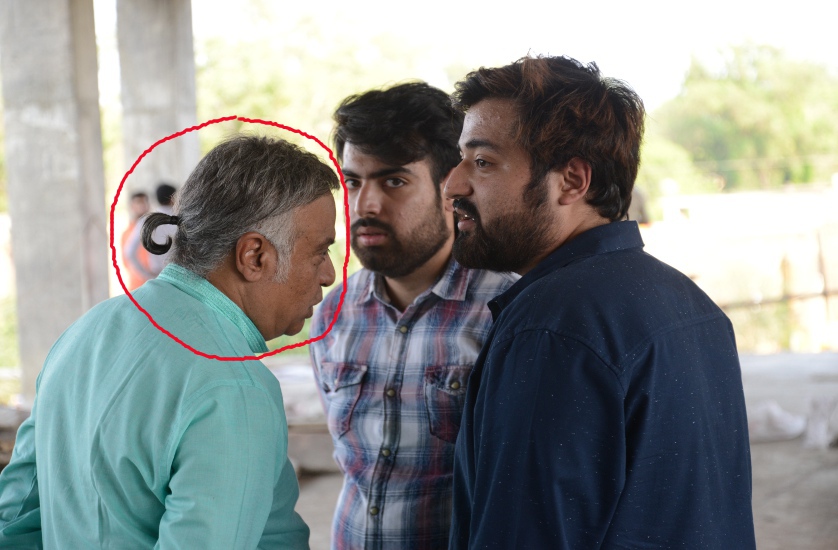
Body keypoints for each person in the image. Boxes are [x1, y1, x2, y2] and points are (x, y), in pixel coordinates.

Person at [444, 55, 756, 549]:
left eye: (483, 162)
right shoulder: (692, 304)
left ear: (572, 180)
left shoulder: (551, 327)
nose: (453, 185)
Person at [0, 135, 338, 549]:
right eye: (319, 252)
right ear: (254, 256)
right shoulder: (233, 388)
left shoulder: (84, 333)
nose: (328, 274)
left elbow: (15, 517)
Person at [308, 82, 517, 549]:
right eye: (353, 182)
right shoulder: (332, 313)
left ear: (451, 189)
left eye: (394, 182)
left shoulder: (505, 311)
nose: (365, 205)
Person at [124, 182, 178, 282]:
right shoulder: (182, 219)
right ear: (173, 198)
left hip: (158, 276)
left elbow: (129, 252)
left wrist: (147, 275)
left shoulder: (146, 220)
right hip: (180, 275)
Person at [120, 191, 151, 290]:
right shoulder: (127, 233)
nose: (142, 206)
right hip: (136, 285)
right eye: (138, 202)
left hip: (156, 281)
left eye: (144, 202)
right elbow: (126, 261)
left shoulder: (156, 229)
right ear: (132, 206)